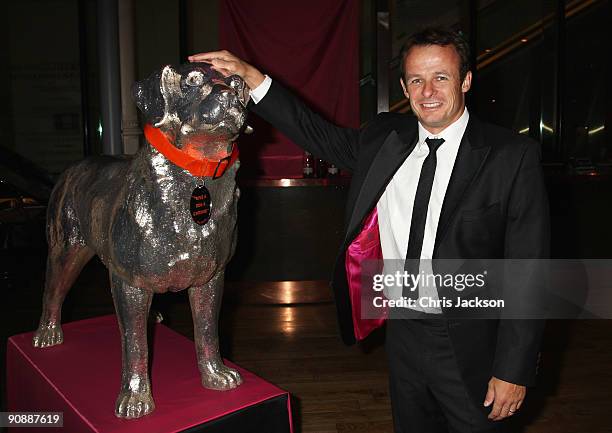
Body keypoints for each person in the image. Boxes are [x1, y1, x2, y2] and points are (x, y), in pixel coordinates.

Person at [190, 27, 549, 433]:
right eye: (416, 79)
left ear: (466, 80)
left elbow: (529, 272)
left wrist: (514, 369)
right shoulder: (385, 139)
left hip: (472, 342)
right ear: (404, 85)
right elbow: (313, 130)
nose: (427, 91)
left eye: (441, 77)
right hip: (403, 333)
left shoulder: (510, 156)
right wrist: (252, 78)